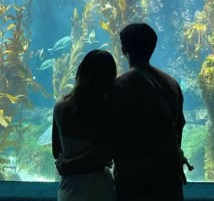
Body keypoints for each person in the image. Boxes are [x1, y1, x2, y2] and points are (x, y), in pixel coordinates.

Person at [56, 23, 186, 201]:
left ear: (124, 49)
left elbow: (109, 143)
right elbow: (178, 128)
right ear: (153, 47)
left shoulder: (120, 87)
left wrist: (69, 165)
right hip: (171, 178)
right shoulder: (171, 83)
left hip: (136, 183)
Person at [52, 49, 117, 201]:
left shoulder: (60, 106)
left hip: (70, 188)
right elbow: (106, 152)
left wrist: (67, 165)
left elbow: (56, 151)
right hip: (100, 188)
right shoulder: (108, 109)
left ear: (81, 71)